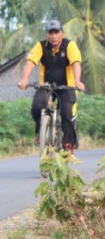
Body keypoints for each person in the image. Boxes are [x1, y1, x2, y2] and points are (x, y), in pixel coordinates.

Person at [17, 19, 85, 153]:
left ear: (62, 34)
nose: (54, 36)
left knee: (67, 112)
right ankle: (41, 132)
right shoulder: (41, 46)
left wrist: (77, 81)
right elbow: (30, 62)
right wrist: (24, 79)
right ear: (47, 35)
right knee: (37, 106)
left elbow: (76, 63)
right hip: (47, 86)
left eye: (56, 32)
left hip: (67, 87)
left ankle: (68, 144)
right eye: (51, 33)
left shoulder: (69, 45)